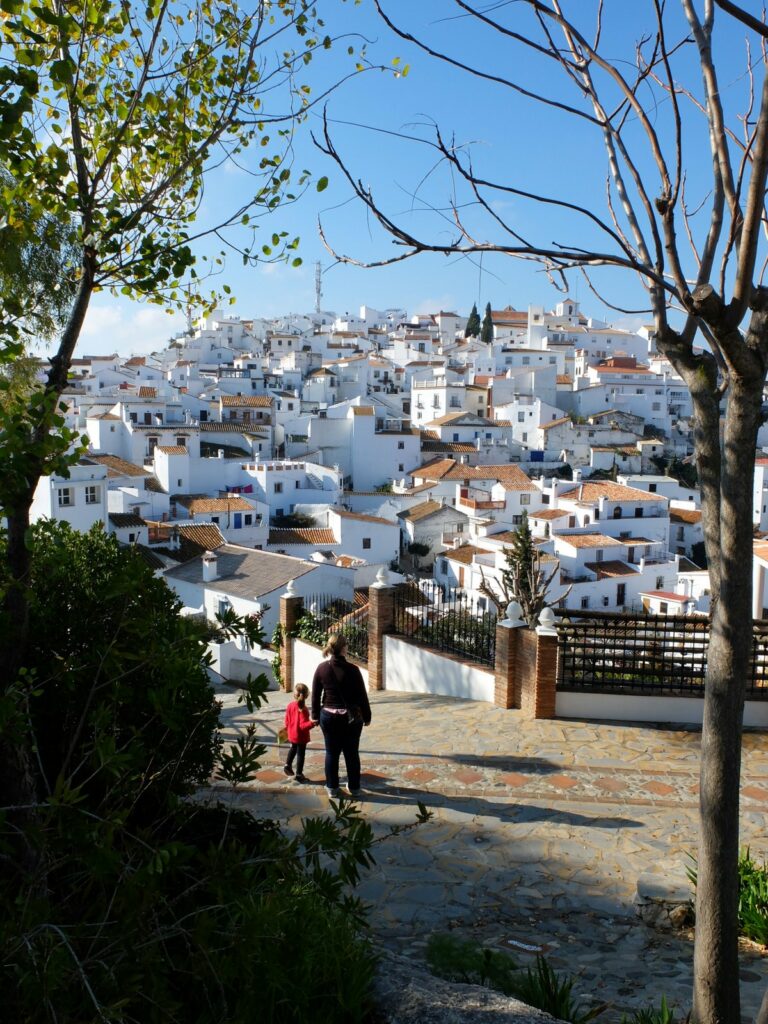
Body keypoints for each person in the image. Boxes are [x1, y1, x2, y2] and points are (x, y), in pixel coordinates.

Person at [310, 634, 371, 799]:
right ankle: (355, 787)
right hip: (351, 719)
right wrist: (367, 716)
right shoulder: (353, 670)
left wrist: (315, 716)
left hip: (329, 717)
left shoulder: (322, 669)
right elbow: (361, 696)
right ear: (344, 648)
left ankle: (332, 787)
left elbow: (315, 695)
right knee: (351, 753)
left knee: (331, 752)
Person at [283, 683, 316, 783]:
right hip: (301, 737)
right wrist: (312, 723)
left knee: (293, 748)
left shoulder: (290, 705)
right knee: (301, 754)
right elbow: (303, 726)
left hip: (292, 734)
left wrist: (288, 730)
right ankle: (299, 774)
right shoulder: (304, 710)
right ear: (306, 696)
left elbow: (286, 720)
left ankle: (287, 765)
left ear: (294, 694)